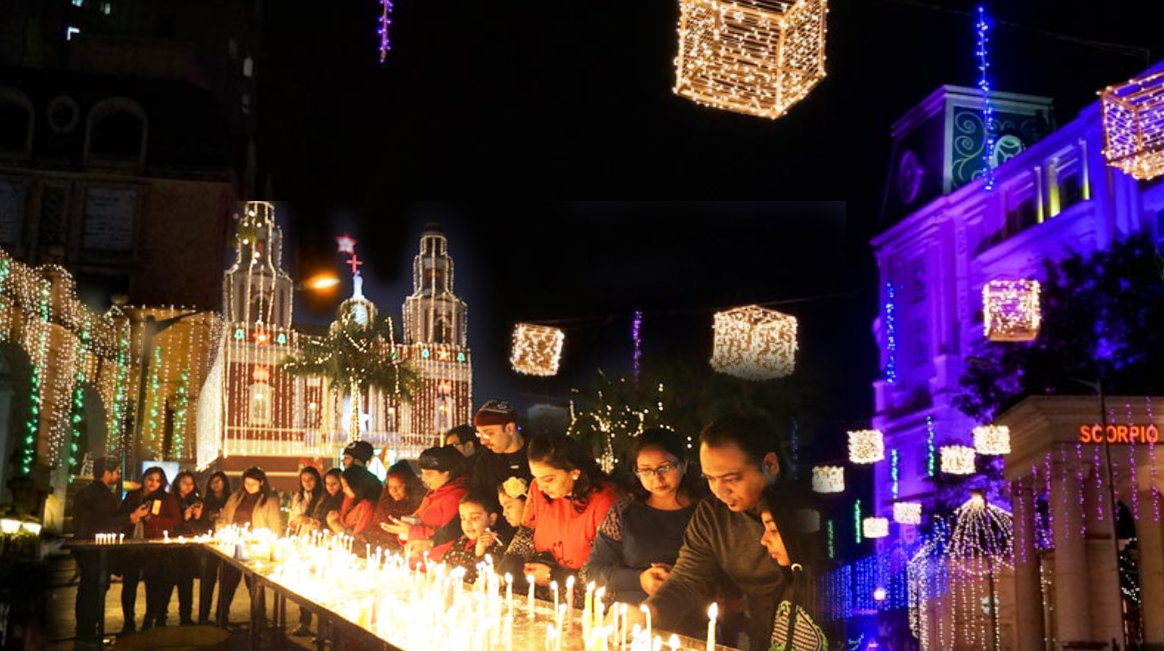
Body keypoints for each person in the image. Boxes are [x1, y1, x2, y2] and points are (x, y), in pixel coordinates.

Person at [620, 415, 806, 651]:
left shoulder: (813, 509)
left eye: (730, 478)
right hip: (764, 639)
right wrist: (648, 613)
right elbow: (688, 578)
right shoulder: (712, 514)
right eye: (710, 479)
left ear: (770, 465)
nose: (719, 491)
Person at [585, 427, 703, 606]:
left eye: (665, 467)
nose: (656, 478)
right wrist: (640, 579)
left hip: (694, 618)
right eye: (646, 470)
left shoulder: (705, 510)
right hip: (633, 618)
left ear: (684, 464)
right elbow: (593, 571)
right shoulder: (623, 511)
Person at [498, 433, 621, 597]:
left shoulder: (605, 501)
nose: (541, 487)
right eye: (536, 477)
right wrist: (504, 569)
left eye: (548, 479)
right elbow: (526, 534)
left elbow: (607, 568)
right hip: (543, 590)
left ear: (574, 472)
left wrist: (554, 576)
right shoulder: (538, 489)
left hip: (588, 598)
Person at [416, 400, 533, 554]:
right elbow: (472, 505)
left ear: (510, 428)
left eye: (489, 433)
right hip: (497, 542)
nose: (483, 440)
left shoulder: (536, 453)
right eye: (479, 434)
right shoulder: (484, 462)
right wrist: (434, 541)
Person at [73, 458, 147, 647]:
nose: (117, 476)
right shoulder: (103, 495)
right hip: (97, 552)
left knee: (87, 590)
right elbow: (103, 524)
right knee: (94, 590)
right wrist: (130, 518)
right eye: (116, 472)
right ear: (106, 473)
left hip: (85, 550)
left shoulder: (84, 493)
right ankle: (89, 634)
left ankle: (85, 632)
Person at [215, 467, 283, 623]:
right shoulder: (235, 498)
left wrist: (272, 544)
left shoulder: (269, 501)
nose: (249, 486)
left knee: (254, 584)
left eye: (253, 483)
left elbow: (276, 526)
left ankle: (259, 618)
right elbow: (223, 518)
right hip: (233, 545)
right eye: (247, 483)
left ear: (261, 483)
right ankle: (222, 616)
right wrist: (225, 531)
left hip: (255, 547)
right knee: (228, 582)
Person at [380, 445, 468, 563]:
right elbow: (417, 521)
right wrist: (402, 529)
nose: (423, 478)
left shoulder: (455, 497)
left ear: (447, 472)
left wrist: (411, 531)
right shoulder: (432, 494)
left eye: (429, 474)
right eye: (422, 473)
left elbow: (449, 536)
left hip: (435, 564)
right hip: (417, 559)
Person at [134, 467, 182, 630]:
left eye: (158, 480)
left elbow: (175, 520)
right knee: (149, 584)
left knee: (161, 583)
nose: (153, 483)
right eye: (150, 479)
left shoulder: (168, 498)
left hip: (161, 548)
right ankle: (146, 617)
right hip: (139, 546)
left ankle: (159, 617)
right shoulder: (136, 496)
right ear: (144, 478)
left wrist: (151, 519)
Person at [159, 470, 203, 626]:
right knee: (167, 583)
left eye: (191, 484)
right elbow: (170, 521)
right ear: (177, 483)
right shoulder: (171, 499)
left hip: (188, 549)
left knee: (187, 584)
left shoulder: (194, 500)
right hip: (172, 548)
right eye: (184, 483)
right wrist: (183, 519)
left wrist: (197, 516)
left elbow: (198, 525)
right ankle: (161, 617)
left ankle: (185, 616)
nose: (188, 486)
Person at [441, 492, 508, 582]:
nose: (468, 524)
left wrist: (480, 554)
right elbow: (446, 562)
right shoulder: (462, 542)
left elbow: (486, 579)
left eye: (475, 518)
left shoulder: (497, 547)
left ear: (491, 519)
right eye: (463, 518)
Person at [362, 461, 425, 550]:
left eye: (398, 487)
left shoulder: (419, 505)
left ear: (409, 486)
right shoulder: (385, 503)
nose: (394, 491)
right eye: (391, 487)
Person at [198, 471, 232, 624]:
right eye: (213, 482)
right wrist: (208, 518)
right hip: (211, 544)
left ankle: (222, 616)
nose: (216, 484)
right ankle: (203, 617)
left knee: (227, 582)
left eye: (219, 481)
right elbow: (200, 522)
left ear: (225, 483)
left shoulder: (231, 500)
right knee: (208, 580)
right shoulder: (205, 502)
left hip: (228, 544)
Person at [326, 465, 381, 537]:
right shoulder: (351, 500)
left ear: (356, 485)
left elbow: (356, 538)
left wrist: (334, 524)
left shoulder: (366, 506)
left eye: (346, 486)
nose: (343, 490)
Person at [288, 466, 325, 536]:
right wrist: (297, 520)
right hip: (301, 535)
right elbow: (292, 520)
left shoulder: (323, 496)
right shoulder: (298, 497)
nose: (307, 482)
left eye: (310, 479)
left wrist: (310, 520)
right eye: (304, 480)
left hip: (317, 536)